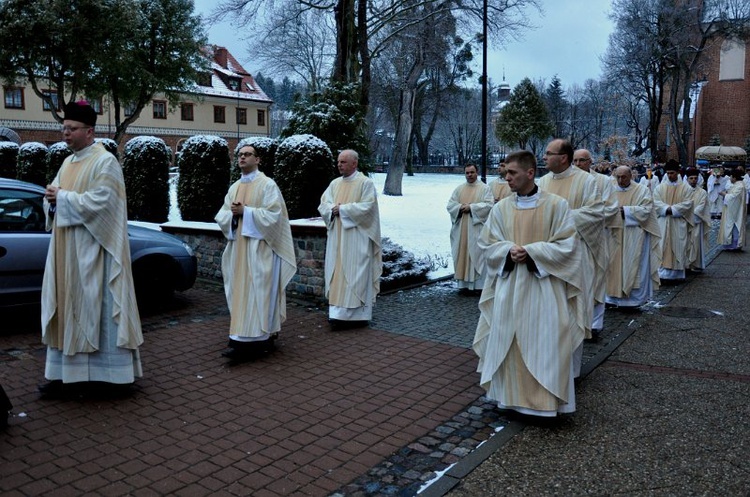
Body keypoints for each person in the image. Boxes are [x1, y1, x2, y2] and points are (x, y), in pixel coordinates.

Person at [39, 101, 143, 396]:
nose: (65, 134)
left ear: (89, 131)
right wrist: (51, 200)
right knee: (67, 309)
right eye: (64, 128)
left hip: (96, 254)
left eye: (71, 129)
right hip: (66, 253)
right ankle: (65, 377)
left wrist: (64, 198)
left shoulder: (104, 161)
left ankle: (109, 377)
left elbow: (106, 204)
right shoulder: (66, 163)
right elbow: (55, 198)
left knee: (98, 312)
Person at [473, 150, 583, 417]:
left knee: (546, 343)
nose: (506, 177)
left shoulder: (557, 206)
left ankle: (543, 406)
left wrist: (533, 252)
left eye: (512, 173)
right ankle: (509, 399)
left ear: (530, 173)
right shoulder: (501, 209)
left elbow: (569, 246)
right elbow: (486, 245)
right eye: (505, 173)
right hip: (509, 287)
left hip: (544, 289)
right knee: (508, 343)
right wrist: (507, 251)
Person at [215, 145, 297, 359]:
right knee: (239, 292)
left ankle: (261, 340)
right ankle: (239, 337)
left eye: (247, 154)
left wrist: (246, 212)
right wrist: (233, 216)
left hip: (260, 252)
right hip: (238, 251)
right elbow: (223, 214)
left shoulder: (268, 185)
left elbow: (275, 216)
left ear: (258, 159)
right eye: (240, 155)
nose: (242, 157)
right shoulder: (234, 187)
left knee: (259, 292)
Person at [538, 139, 603, 351]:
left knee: (573, 306)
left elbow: (594, 213)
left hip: (576, 253)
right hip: (548, 254)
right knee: (549, 308)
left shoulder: (586, 181)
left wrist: (557, 217)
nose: (544, 157)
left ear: (563, 157)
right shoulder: (543, 182)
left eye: (549, 153)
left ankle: (572, 370)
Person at [318, 149, 382, 330]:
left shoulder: (365, 183)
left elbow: (368, 208)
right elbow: (324, 204)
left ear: (355, 163)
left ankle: (358, 316)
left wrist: (343, 210)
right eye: (338, 162)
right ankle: (336, 315)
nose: (339, 165)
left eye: (343, 162)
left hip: (357, 239)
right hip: (337, 238)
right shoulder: (334, 184)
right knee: (336, 273)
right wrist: (332, 209)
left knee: (356, 274)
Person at [573, 149, 619, 338]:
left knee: (596, 279)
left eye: (582, 160)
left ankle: (594, 324)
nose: (578, 164)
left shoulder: (604, 181)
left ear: (590, 162)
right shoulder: (568, 181)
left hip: (596, 238)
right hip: (572, 239)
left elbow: (610, 208)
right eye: (574, 160)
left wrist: (582, 221)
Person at [605, 166, 661, 308]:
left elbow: (647, 210)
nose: (620, 180)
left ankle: (633, 300)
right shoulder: (609, 189)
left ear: (631, 176)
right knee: (611, 264)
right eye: (617, 176)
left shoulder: (642, 190)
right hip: (613, 233)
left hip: (634, 234)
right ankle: (611, 298)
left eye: (624, 177)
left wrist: (626, 210)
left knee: (634, 264)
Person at [446, 164, 494, 292]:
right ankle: (463, 285)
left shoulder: (484, 189)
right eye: (467, 173)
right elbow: (450, 205)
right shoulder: (459, 189)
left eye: (472, 172)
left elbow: (489, 205)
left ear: (476, 172)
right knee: (461, 254)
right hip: (461, 230)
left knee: (477, 254)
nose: (469, 175)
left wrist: (471, 208)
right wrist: (460, 208)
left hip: (476, 228)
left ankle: (478, 286)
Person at [653, 160, 694, 282]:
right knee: (662, 247)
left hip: (678, 223)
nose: (670, 175)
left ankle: (676, 274)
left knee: (678, 246)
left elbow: (688, 204)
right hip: (663, 222)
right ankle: (662, 275)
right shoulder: (660, 188)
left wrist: (673, 209)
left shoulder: (686, 188)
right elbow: (655, 202)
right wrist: (666, 209)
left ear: (678, 172)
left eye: (672, 173)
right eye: (668, 173)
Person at [685, 168, 711, 271]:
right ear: (687, 179)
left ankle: (695, 264)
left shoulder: (702, 192)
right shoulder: (683, 191)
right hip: (686, 221)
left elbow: (702, 206)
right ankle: (686, 264)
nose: (693, 180)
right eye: (691, 178)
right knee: (686, 243)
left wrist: (692, 214)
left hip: (696, 220)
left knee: (695, 242)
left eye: (695, 178)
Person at [718, 167, 747, 251]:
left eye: (731, 177)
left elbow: (733, 197)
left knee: (735, 226)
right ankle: (729, 244)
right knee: (732, 226)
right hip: (732, 209)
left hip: (736, 211)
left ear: (734, 177)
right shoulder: (736, 185)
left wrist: (724, 195)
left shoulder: (740, 186)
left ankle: (735, 245)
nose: (730, 178)